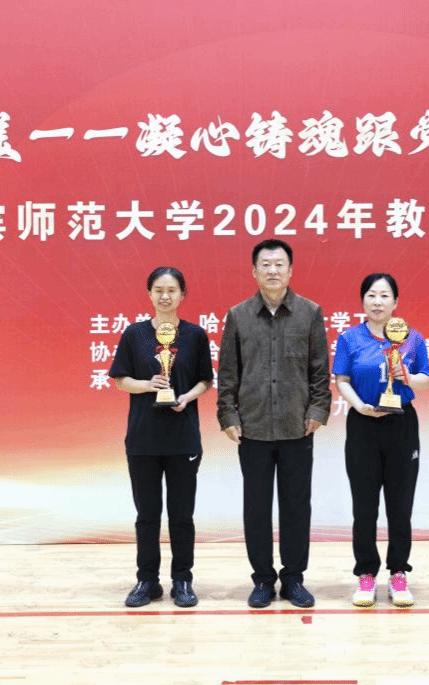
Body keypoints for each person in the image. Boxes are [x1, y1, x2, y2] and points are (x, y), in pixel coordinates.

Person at [217, 238, 331, 609]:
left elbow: (319, 369)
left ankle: (294, 578)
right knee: (256, 508)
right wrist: (228, 414)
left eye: (279, 264)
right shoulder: (238, 316)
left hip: (297, 426)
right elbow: (228, 372)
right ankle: (263, 580)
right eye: (265, 264)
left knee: (297, 506)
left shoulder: (309, 312)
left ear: (290, 270)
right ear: (254, 271)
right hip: (252, 428)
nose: (272, 270)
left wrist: (318, 410)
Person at [109, 266, 214, 608]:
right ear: (149, 294)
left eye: (171, 290)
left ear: (183, 295)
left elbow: (205, 380)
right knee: (147, 515)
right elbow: (120, 379)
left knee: (182, 516)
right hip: (143, 439)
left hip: (182, 439)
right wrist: (147, 385)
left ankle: (182, 579)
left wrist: (186, 397)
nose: (165, 296)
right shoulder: (134, 334)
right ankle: (147, 580)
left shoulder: (195, 335)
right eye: (158, 290)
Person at [333, 273, 429, 608]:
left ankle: (399, 573)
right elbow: (341, 379)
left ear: (396, 302)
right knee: (364, 507)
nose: (377, 302)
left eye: (385, 295)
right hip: (363, 424)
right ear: (363, 300)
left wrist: (408, 375)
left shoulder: (412, 338)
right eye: (371, 295)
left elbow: (426, 380)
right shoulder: (350, 338)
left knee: (400, 506)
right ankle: (366, 574)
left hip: (402, 425)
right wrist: (358, 405)